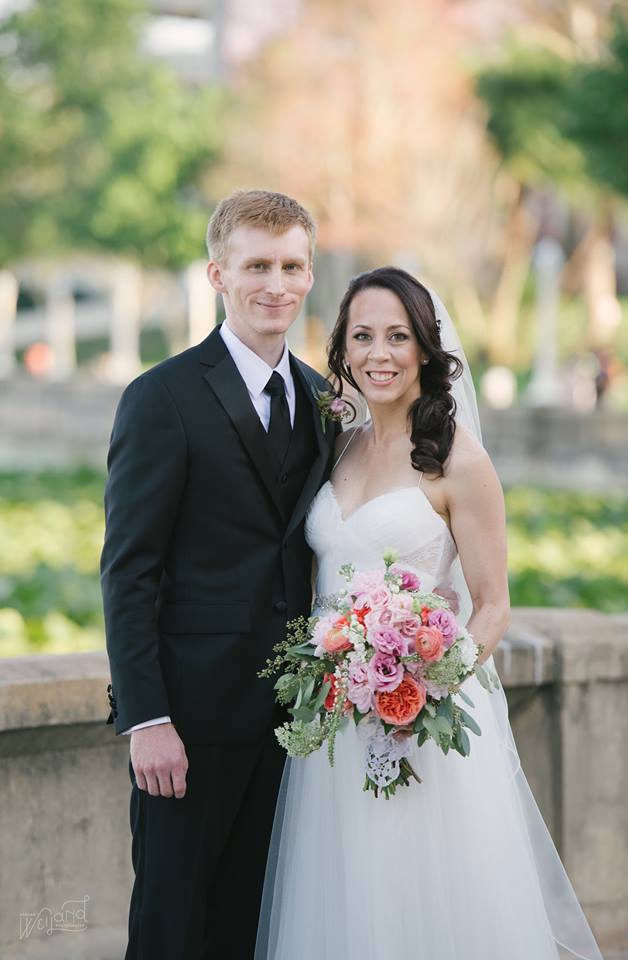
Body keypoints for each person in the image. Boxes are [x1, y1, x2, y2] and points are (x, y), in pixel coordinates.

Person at [254, 267, 604, 960]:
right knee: (343, 905)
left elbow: (494, 605)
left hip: (418, 724)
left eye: (397, 336)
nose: (378, 354)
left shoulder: (457, 462)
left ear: (425, 349)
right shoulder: (340, 446)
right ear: (343, 350)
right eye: (362, 336)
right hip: (332, 722)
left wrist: (422, 688)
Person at [100, 189, 339, 959]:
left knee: (251, 931)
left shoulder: (323, 402)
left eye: (292, 266)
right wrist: (146, 720)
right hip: (187, 725)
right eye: (257, 265)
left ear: (309, 277)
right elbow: (128, 571)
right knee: (171, 930)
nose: (277, 283)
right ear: (217, 274)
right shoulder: (161, 397)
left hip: (289, 724)